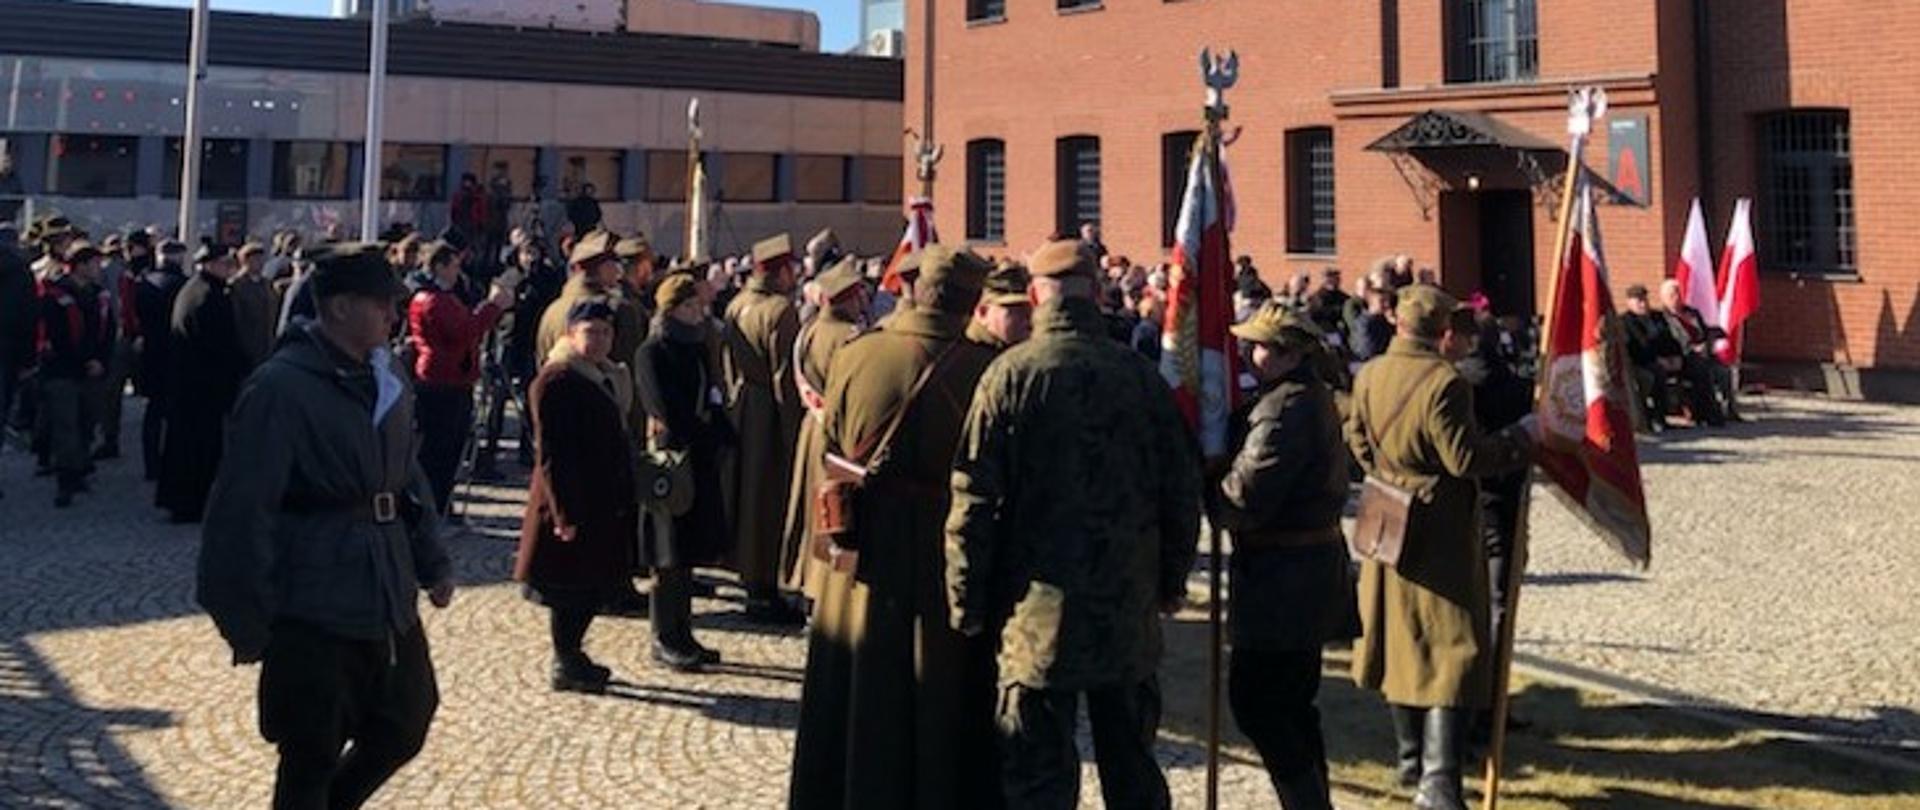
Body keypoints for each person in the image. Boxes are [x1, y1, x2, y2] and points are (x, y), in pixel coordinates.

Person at [196, 242, 454, 810]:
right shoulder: (280, 388)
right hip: (312, 596)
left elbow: (407, 478)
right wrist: (245, 619)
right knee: (310, 749)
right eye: (380, 304)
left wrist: (431, 557)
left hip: (386, 587)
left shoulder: (387, 379)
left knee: (407, 719)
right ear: (338, 307)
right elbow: (242, 511)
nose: (393, 315)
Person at [946, 239, 1201, 809]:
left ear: (1036, 296)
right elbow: (1181, 491)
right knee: (1132, 770)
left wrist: (966, 599)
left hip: (1036, 611)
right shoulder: (1141, 378)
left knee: (1037, 778)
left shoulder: (1009, 376)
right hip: (1125, 602)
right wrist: (1171, 580)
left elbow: (973, 499)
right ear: (1097, 294)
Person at [789, 245, 1002, 810]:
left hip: (861, 546)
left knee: (857, 679)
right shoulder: (987, 367)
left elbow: (831, 438)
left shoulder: (860, 353)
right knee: (939, 687)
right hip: (944, 544)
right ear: (972, 300)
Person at [1346, 285, 1536, 810]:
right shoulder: (1444, 383)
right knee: (1453, 648)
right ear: (1439, 331)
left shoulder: (1371, 373)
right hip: (1440, 527)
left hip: (1386, 514)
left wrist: (1388, 473)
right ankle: (1439, 779)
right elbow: (1462, 458)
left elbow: (1358, 440)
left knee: (1398, 638)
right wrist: (1521, 439)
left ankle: (1410, 761)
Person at [1218, 303, 1357, 809]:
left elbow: (1243, 500)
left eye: (1259, 345)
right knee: (1292, 705)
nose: (1250, 354)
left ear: (1286, 353)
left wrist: (1207, 478)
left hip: (1285, 580)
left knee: (1261, 704)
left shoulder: (1285, 408)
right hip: (1300, 574)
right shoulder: (1298, 397)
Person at [514, 297, 639, 693]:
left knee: (592, 582)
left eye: (605, 332)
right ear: (571, 334)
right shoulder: (557, 380)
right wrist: (564, 512)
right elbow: (551, 453)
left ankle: (574, 655)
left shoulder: (606, 374)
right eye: (591, 332)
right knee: (567, 585)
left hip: (603, 496)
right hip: (570, 497)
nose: (600, 340)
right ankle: (564, 658)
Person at [632, 275, 732, 671]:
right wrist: (702, 433)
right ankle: (663, 635)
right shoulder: (652, 351)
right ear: (671, 309)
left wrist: (724, 432)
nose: (697, 314)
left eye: (698, 307)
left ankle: (684, 629)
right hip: (671, 461)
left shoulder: (696, 348)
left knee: (688, 549)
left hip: (700, 456)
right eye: (689, 307)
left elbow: (712, 394)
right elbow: (665, 408)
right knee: (667, 550)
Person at [720, 234, 807, 625]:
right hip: (769, 414)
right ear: (781, 271)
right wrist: (794, 432)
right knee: (767, 500)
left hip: (742, 404)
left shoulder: (737, 304)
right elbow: (785, 377)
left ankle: (747, 574)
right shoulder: (779, 311)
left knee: (744, 494)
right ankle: (762, 586)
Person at [780, 257, 870, 598]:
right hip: (837, 434)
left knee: (807, 507)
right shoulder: (849, 336)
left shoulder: (808, 330)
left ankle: (803, 577)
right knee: (833, 512)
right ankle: (824, 586)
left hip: (811, 428)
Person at [407, 241, 514, 517]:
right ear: (440, 267)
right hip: (443, 380)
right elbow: (464, 330)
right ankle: (435, 503)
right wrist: (493, 307)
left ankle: (440, 500)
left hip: (449, 376)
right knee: (441, 449)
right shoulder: (433, 300)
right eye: (453, 266)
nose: (458, 272)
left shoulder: (438, 297)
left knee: (446, 448)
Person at [156, 244, 253, 524]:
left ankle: (184, 500)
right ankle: (192, 502)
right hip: (203, 387)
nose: (229, 269)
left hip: (190, 386)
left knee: (187, 446)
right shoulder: (209, 297)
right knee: (200, 449)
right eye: (225, 264)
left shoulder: (194, 290)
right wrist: (242, 367)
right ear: (210, 265)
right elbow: (222, 345)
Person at [36, 240, 114, 507]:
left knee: (86, 422)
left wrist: (101, 361)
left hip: (93, 371)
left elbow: (108, 333)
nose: (98, 269)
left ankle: (79, 470)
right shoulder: (56, 295)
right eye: (94, 264)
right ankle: (65, 480)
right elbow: (56, 338)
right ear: (79, 266)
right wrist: (86, 361)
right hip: (63, 370)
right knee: (65, 425)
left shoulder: (99, 295)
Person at [132, 237, 188, 482]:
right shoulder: (183, 285)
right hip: (176, 355)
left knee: (153, 413)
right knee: (175, 414)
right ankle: (171, 463)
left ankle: (151, 464)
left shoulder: (144, 284)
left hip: (151, 354)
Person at [1621, 283, 1710, 433]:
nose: (1643, 304)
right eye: (1638, 301)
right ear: (1629, 303)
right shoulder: (1626, 322)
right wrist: (1657, 360)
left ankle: (1706, 414)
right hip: (1644, 363)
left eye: (1644, 299)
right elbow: (1638, 348)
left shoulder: (1657, 317)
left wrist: (1677, 357)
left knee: (1698, 366)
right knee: (1656, 374)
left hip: (1668, 360)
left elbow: (1670, 340)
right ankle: (1658, 418)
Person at [1657, 279, 1741, 422]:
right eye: (1671, 295)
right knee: (1702, 370)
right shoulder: (1661, 318)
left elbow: (1704, 330)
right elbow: (1668, 341)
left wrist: (1713, 337)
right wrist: (1691, 348)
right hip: (1683, 357)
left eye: (1678, 293)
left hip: (1704, 352)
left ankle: (1730, 410)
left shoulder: (1692, 313)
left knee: (1725, 371)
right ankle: (1709, 413)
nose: (1676, 297)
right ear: (1663, 298)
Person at [967, 259, 1033, 353]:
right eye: (1017, 310)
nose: (1028, 318)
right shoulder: (963, 358)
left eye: (1031, 309)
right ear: (983, 313)